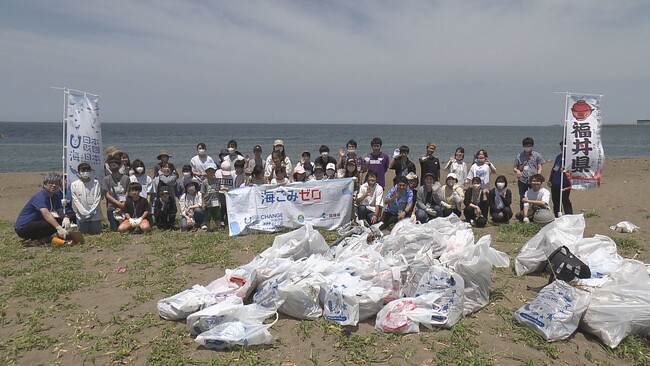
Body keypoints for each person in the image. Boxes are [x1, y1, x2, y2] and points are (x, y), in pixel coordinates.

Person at [14, 172, 67, 242]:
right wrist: (58, 227)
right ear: (45, 185)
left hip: (37, 223)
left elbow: (59, 212)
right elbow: (45, 213)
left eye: (56, 183)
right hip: (23, 227)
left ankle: (42, 237)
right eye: (51, 183)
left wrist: (66, 218)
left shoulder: (56, 196)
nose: (54, 185)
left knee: (60, 221)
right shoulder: (40, 196)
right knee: (48, 224)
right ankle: (35, 239)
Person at [70, 163, 103, 234]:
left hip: (95, 213)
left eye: (87, 170)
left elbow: (98, 197)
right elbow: (75, 200)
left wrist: (92, 211)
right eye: (83, 170)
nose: (85, 172)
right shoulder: (74, 184)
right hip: (82, 214)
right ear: (79, 172)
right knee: (83, 233)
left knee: (96, 232)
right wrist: (84, 212)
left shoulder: (95, 182)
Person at [513, 137, 544, 211]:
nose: (527, 147)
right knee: (523, 197)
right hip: (522, 180)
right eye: (526, 145)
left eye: (529, 145)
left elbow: (540, 167)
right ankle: (522, 213)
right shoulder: (519, 156)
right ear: (523, 146)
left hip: (533, 180)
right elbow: (514, 168)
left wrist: (538, 176)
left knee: (534, 196)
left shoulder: (537, 155)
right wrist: (517, 171)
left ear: (532, 145)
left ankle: (534, 212)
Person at [102, 157, 131, 231]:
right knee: (114, 229)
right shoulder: (106, 179)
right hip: (112, 207)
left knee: (124, 228)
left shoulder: (126, 178)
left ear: (119, 165)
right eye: (110, 166)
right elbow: (107, 194)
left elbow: (127, 191)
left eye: (114, 165)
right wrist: (118, 203)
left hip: (124, 206)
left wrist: (123, 203)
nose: (112, 167)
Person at [549, 141, 574, 217]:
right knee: (556, 201)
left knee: (565, 200)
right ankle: (557, 216)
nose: (562, 148)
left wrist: (566, 170)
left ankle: (569, 216)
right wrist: (550, 179)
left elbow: (574, 170)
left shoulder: (571, 157)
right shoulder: (559, 156)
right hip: (555, 182)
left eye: (564, 147)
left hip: (565, 183)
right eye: (561, 147)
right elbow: (554, 168)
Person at [201, 163, 221, 231]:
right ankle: (208, 228)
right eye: (209, 171)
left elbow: (220, 189)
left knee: (217, 215)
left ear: (214, 172)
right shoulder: (204, 182)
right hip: (208, 203)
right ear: (206, 172)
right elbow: (203, 193)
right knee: (207, 216)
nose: (210, 173)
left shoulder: (217, 181)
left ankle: (219, 227)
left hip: (216, 202)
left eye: (212, 171)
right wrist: (203, 203)